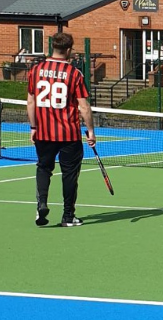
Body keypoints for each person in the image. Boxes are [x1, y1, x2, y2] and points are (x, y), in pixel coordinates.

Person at [26, 32, 95, 227]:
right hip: (69, 134)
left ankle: (41, 203)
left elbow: (31, 101)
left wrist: (33, 126)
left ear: (53, 47)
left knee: (43, 168)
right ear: (69, 50)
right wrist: (90, 131)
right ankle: (68, 215)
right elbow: (84, 106)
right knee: (70, 174)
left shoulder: (36, 70)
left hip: (43, 132)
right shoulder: (74, 74)